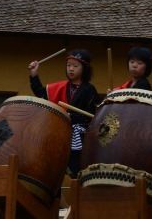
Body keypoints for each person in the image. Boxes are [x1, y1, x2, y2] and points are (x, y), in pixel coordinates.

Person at [28, 49, 100, 178]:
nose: (71, 69)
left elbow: (93, 116)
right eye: (68, 65)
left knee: (75, 170)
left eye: (75, 66)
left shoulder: (89, 90)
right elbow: (41, 94)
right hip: (60, 132)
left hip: (79, 137)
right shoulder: (60, 87)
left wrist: (72, 117)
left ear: (85, 68)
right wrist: (34, 75)